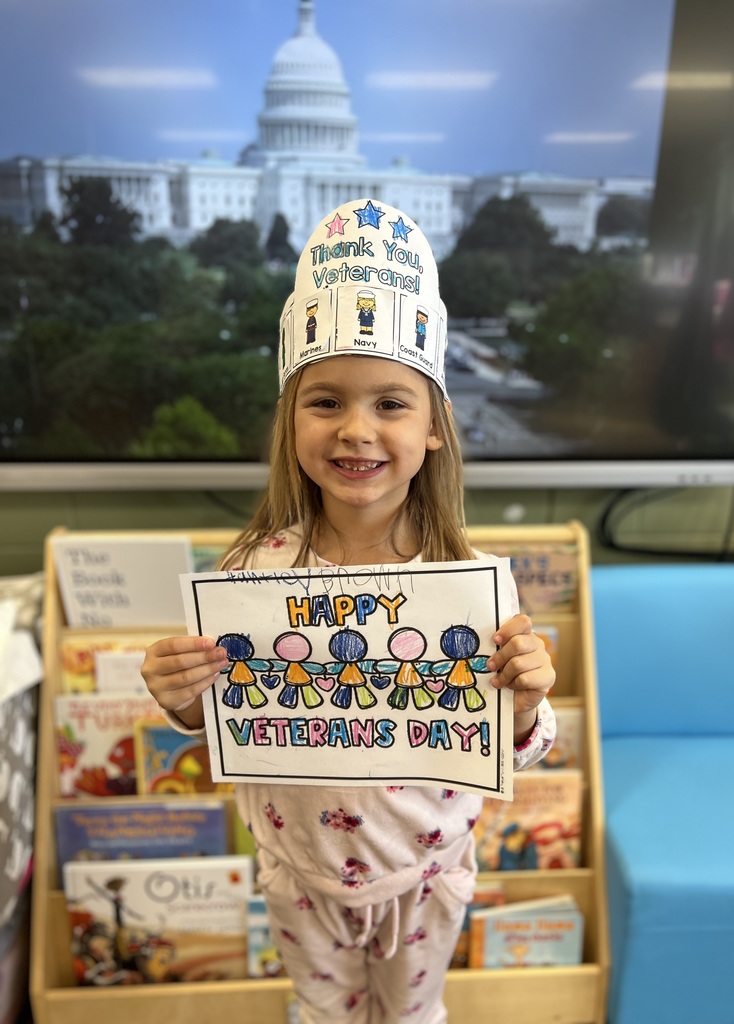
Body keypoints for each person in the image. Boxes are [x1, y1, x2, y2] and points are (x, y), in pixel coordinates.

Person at [142, 198, 556, 1024]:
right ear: (290, 421)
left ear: (435, 426)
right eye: (325, 401)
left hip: (426, 873)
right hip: (300, 869)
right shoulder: (249, 572)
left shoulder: (472, 583)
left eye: (391, 404)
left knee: (413, 1015)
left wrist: (527, 698)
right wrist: (182, 697)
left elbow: (524, 745)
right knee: (322, 1013)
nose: (356, 431)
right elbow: (222, 715)